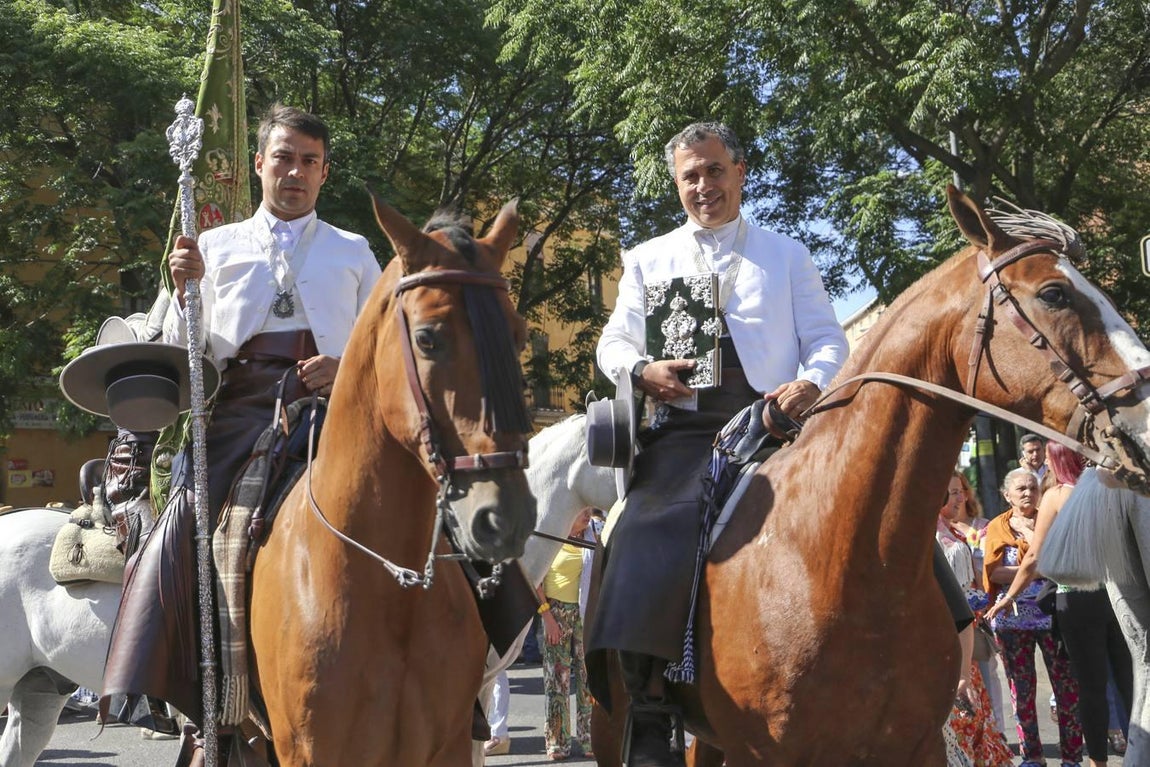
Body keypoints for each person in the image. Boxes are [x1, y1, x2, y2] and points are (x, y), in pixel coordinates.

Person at [100, 103, 382, 732]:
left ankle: (460, 676)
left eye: (310, 161)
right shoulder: (213, 247)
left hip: (335, 412)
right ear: (259, 164)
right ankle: (194, 695)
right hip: (238, 413)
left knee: (433, 505)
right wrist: (185, 291)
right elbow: (183, 351)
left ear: (325, 173)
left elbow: (385, 347)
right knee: (185, 519)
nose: (296, 172)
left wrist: (345, 368)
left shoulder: (356, 251)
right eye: (283, 158)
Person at [587, 121, 849, 767]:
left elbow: (829, 339)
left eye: (714, 170)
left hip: (777, 426)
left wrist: (810, 382)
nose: (703, 185)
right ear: (678, 184)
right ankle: (647, 708)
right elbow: (611, 343)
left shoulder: (788, 254)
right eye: (690, 176)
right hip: (686, 432)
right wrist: (641, 370)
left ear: (739, 171)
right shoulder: (648, 257)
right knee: (641, 528)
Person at [985, 445, 1133, 767]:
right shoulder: (1110, 487)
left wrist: (1009, 596)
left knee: (1090, 687)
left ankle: (1097, 762)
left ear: (1055, 460)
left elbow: (1034, 558)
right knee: (1128, 679)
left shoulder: (1057, 495)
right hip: (1116, 594)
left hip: (1077, 597)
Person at [982, 468, 1083, 767]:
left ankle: (1072, 757)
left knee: (1066, 687)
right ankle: (1032, 756)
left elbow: (1062, 561)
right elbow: (994, 572)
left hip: (1053, 616)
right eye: (1021, 489)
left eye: (1032, 487)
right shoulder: (996, 528)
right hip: (1011, 621)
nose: (1028, 493)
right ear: (1006, 495)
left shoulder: (1051, 518)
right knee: (1021, 690)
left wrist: (1033, 564)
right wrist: (1034, 566)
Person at [937, 474, 1014, 767]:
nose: (961, 498)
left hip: (965, 638)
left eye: (961, 492)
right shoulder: (930, 535)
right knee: (961, 721)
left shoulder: (951, 531)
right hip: (947, 642)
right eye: (953, 492)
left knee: (976, 713)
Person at [538, 508, 597, 761]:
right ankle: (557, 743)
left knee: (588, 680)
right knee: (557, 679)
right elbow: (536, 580)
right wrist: (548, 617)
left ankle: (589, 739)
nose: (587, 515)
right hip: (557, 613)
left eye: (588, 511)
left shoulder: (594, 536)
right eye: (581, 511)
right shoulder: (553, 538)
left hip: (586, 613)